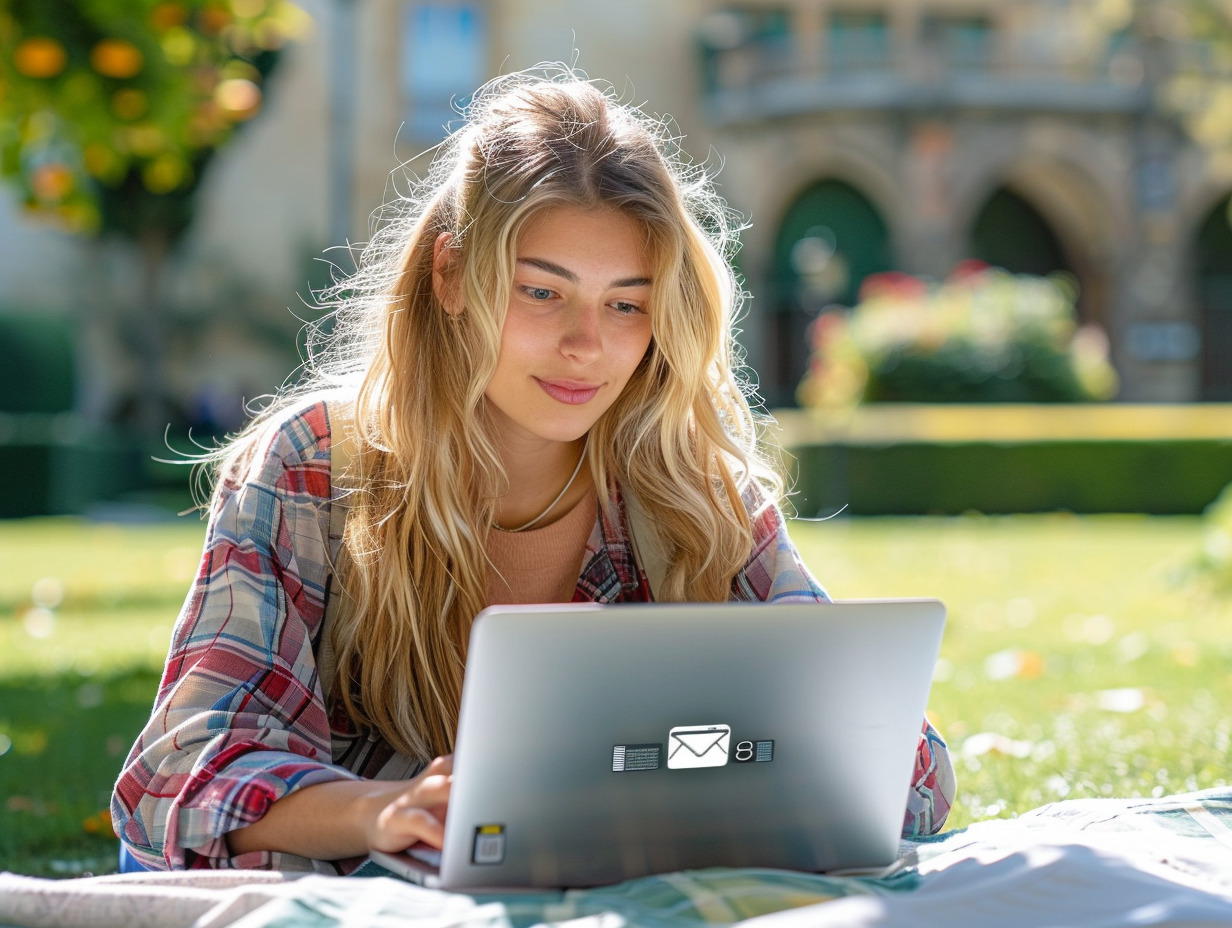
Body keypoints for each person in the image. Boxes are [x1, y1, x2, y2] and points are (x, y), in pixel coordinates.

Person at [111, 67, 956, 873]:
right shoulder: (314, 466)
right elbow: (182, 776)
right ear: (451, 276)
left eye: (626, 304)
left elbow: (910, 774)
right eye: (542, 292)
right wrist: (384, 811)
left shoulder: (687, 488)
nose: (586, 345)